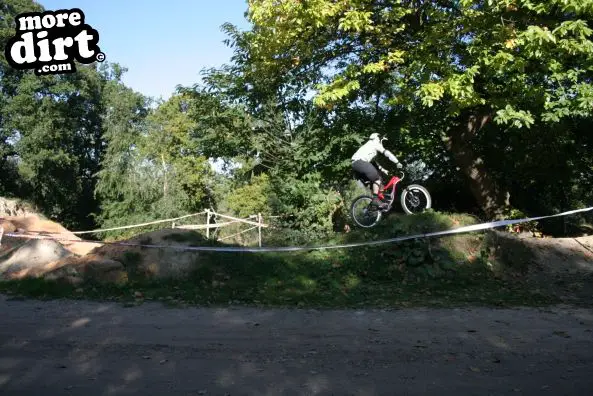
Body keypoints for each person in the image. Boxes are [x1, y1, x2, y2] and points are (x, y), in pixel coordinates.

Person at [351, 133, 403, 209]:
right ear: (376, 138)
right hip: (359, 163)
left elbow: (375, 164)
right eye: (380, 139)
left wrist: (384, 170)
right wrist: (397, 162)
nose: (380, 142)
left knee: (379, 180)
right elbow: (387, 153)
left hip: (357, 165)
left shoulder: (369, 148)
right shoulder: (374, 143)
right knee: (377, 179)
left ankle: (378, 202)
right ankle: (375, 199)